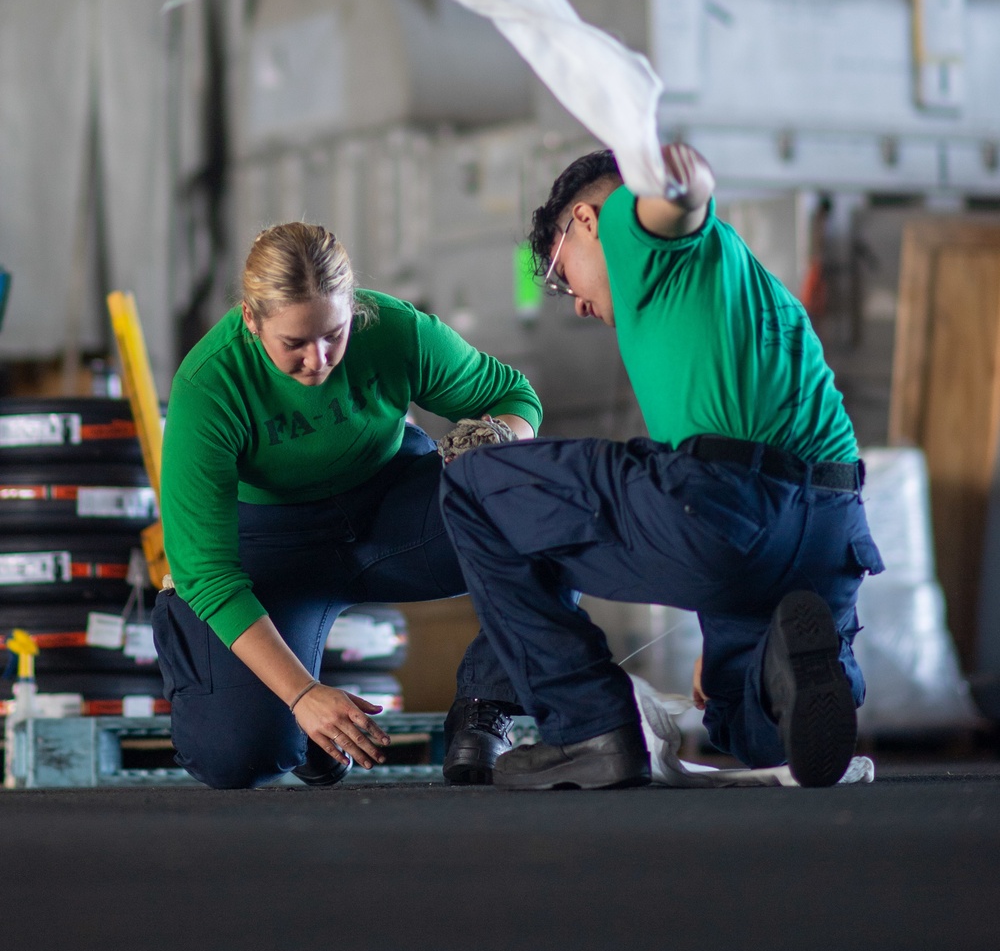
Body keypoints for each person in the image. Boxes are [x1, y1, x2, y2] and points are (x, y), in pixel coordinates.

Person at [440, 142, 884, 790]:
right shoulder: (738, 286)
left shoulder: (626, 229)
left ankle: (586, 726)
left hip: (727, 507)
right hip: (829, 532)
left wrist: (683, 179)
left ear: (585, 224)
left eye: (563, 275)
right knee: (741, 721)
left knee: (475, 487)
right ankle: (783, 671)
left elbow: (676, 201)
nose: (577, 304)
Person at [155, 221, 541, 789]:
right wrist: (303, 695)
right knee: (235, 758)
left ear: (353, 308)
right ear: (251, 320)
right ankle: (301, 728)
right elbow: (208, 573)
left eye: (334, 334)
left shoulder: (395, 329)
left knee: (542, 502)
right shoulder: (209, 386)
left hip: (393, 513)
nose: (318, 360)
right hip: (274, 551)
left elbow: (516, 396)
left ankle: (486, 708)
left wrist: (493, 441)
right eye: (294, 343)